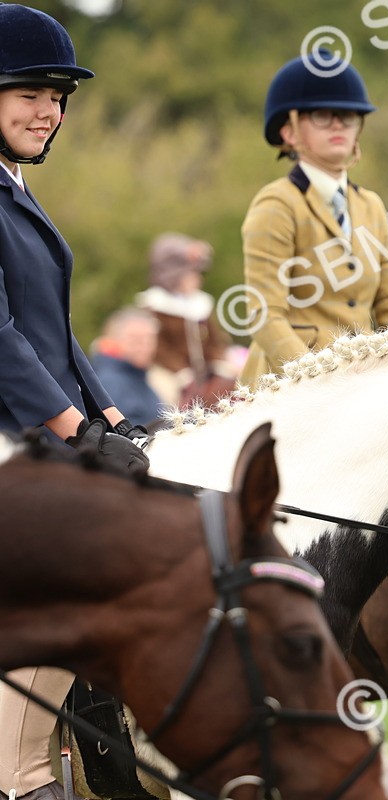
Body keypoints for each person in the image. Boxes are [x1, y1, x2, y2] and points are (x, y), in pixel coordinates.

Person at [0, 6, 148, 800]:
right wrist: (71, 430)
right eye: (28, 93)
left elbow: (55, 337)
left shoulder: (15, 189)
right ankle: (20, 775)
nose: (47, 111)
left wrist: (115, 420)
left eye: (58, 97)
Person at [239, 51, 388, 385]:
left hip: (362, 376)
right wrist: (315, 377)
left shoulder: (371, 206)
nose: (338, 123)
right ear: (289, 132)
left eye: (348, 116)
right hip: (289, 382)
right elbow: (265, 315)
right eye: (322, 114)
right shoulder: (277, 204)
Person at [135, 232, 235, 407]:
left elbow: (214, 341)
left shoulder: (200, 304)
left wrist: (217, 363)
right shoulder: (155, 305)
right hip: (167, 371)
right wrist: (181, 372)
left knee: (231, 383)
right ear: (175, 276)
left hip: (203, 369)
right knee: (166, 396)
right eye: (191, 273)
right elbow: (159, 347)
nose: (197, 278)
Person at [90, 307, 165, 427]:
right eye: (135, 339)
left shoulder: (137, 376)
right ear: (113, 340)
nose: (144, 346)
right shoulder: (110, 381)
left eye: (150, 339)